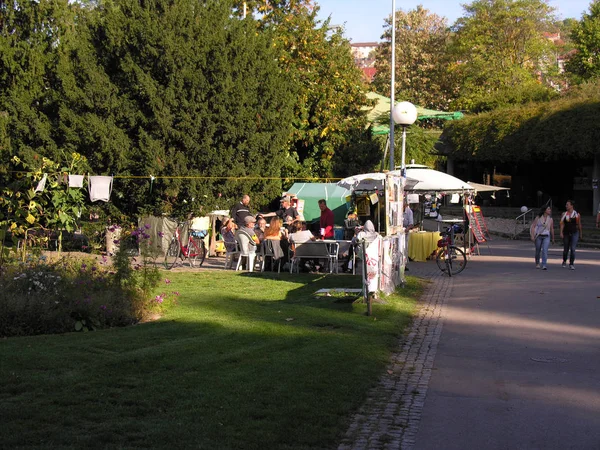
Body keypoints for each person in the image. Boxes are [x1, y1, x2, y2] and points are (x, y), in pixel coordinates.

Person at [559, 200, 582, 270]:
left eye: (567, 205)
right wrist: (561, 232)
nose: (566, 206)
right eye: (566, 205)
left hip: (574, 232)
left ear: (572, 206)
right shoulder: (564, 214)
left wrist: (580, 233)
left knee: (573, 249)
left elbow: (579, 224)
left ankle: (571, 263)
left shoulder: (576, 214)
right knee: (566, 249)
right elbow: (562, 224)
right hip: (566, 233)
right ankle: (564, 260)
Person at [530, 206, 554, 270]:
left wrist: (553, 238)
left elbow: (551, 229)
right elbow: (533, 226)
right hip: (539, 236)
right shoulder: (538, 218)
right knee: (538, 250)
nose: (550, 210)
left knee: (545, 250)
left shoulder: (550, 219)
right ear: (544, 210)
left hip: (546, 236)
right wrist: (532, 235)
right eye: (548, 209)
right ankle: (537, 263)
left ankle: (544, 264)